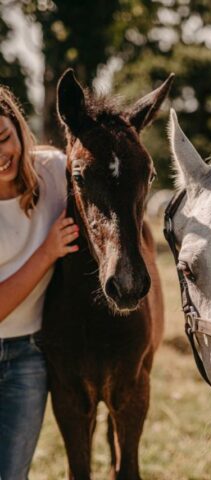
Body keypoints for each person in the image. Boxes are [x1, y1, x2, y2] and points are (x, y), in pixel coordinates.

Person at [0, 86, 79, 479]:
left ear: (18, 129)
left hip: (29, 357)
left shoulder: (53, 172)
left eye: (4, 139)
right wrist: (48, 252)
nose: (1, 156)